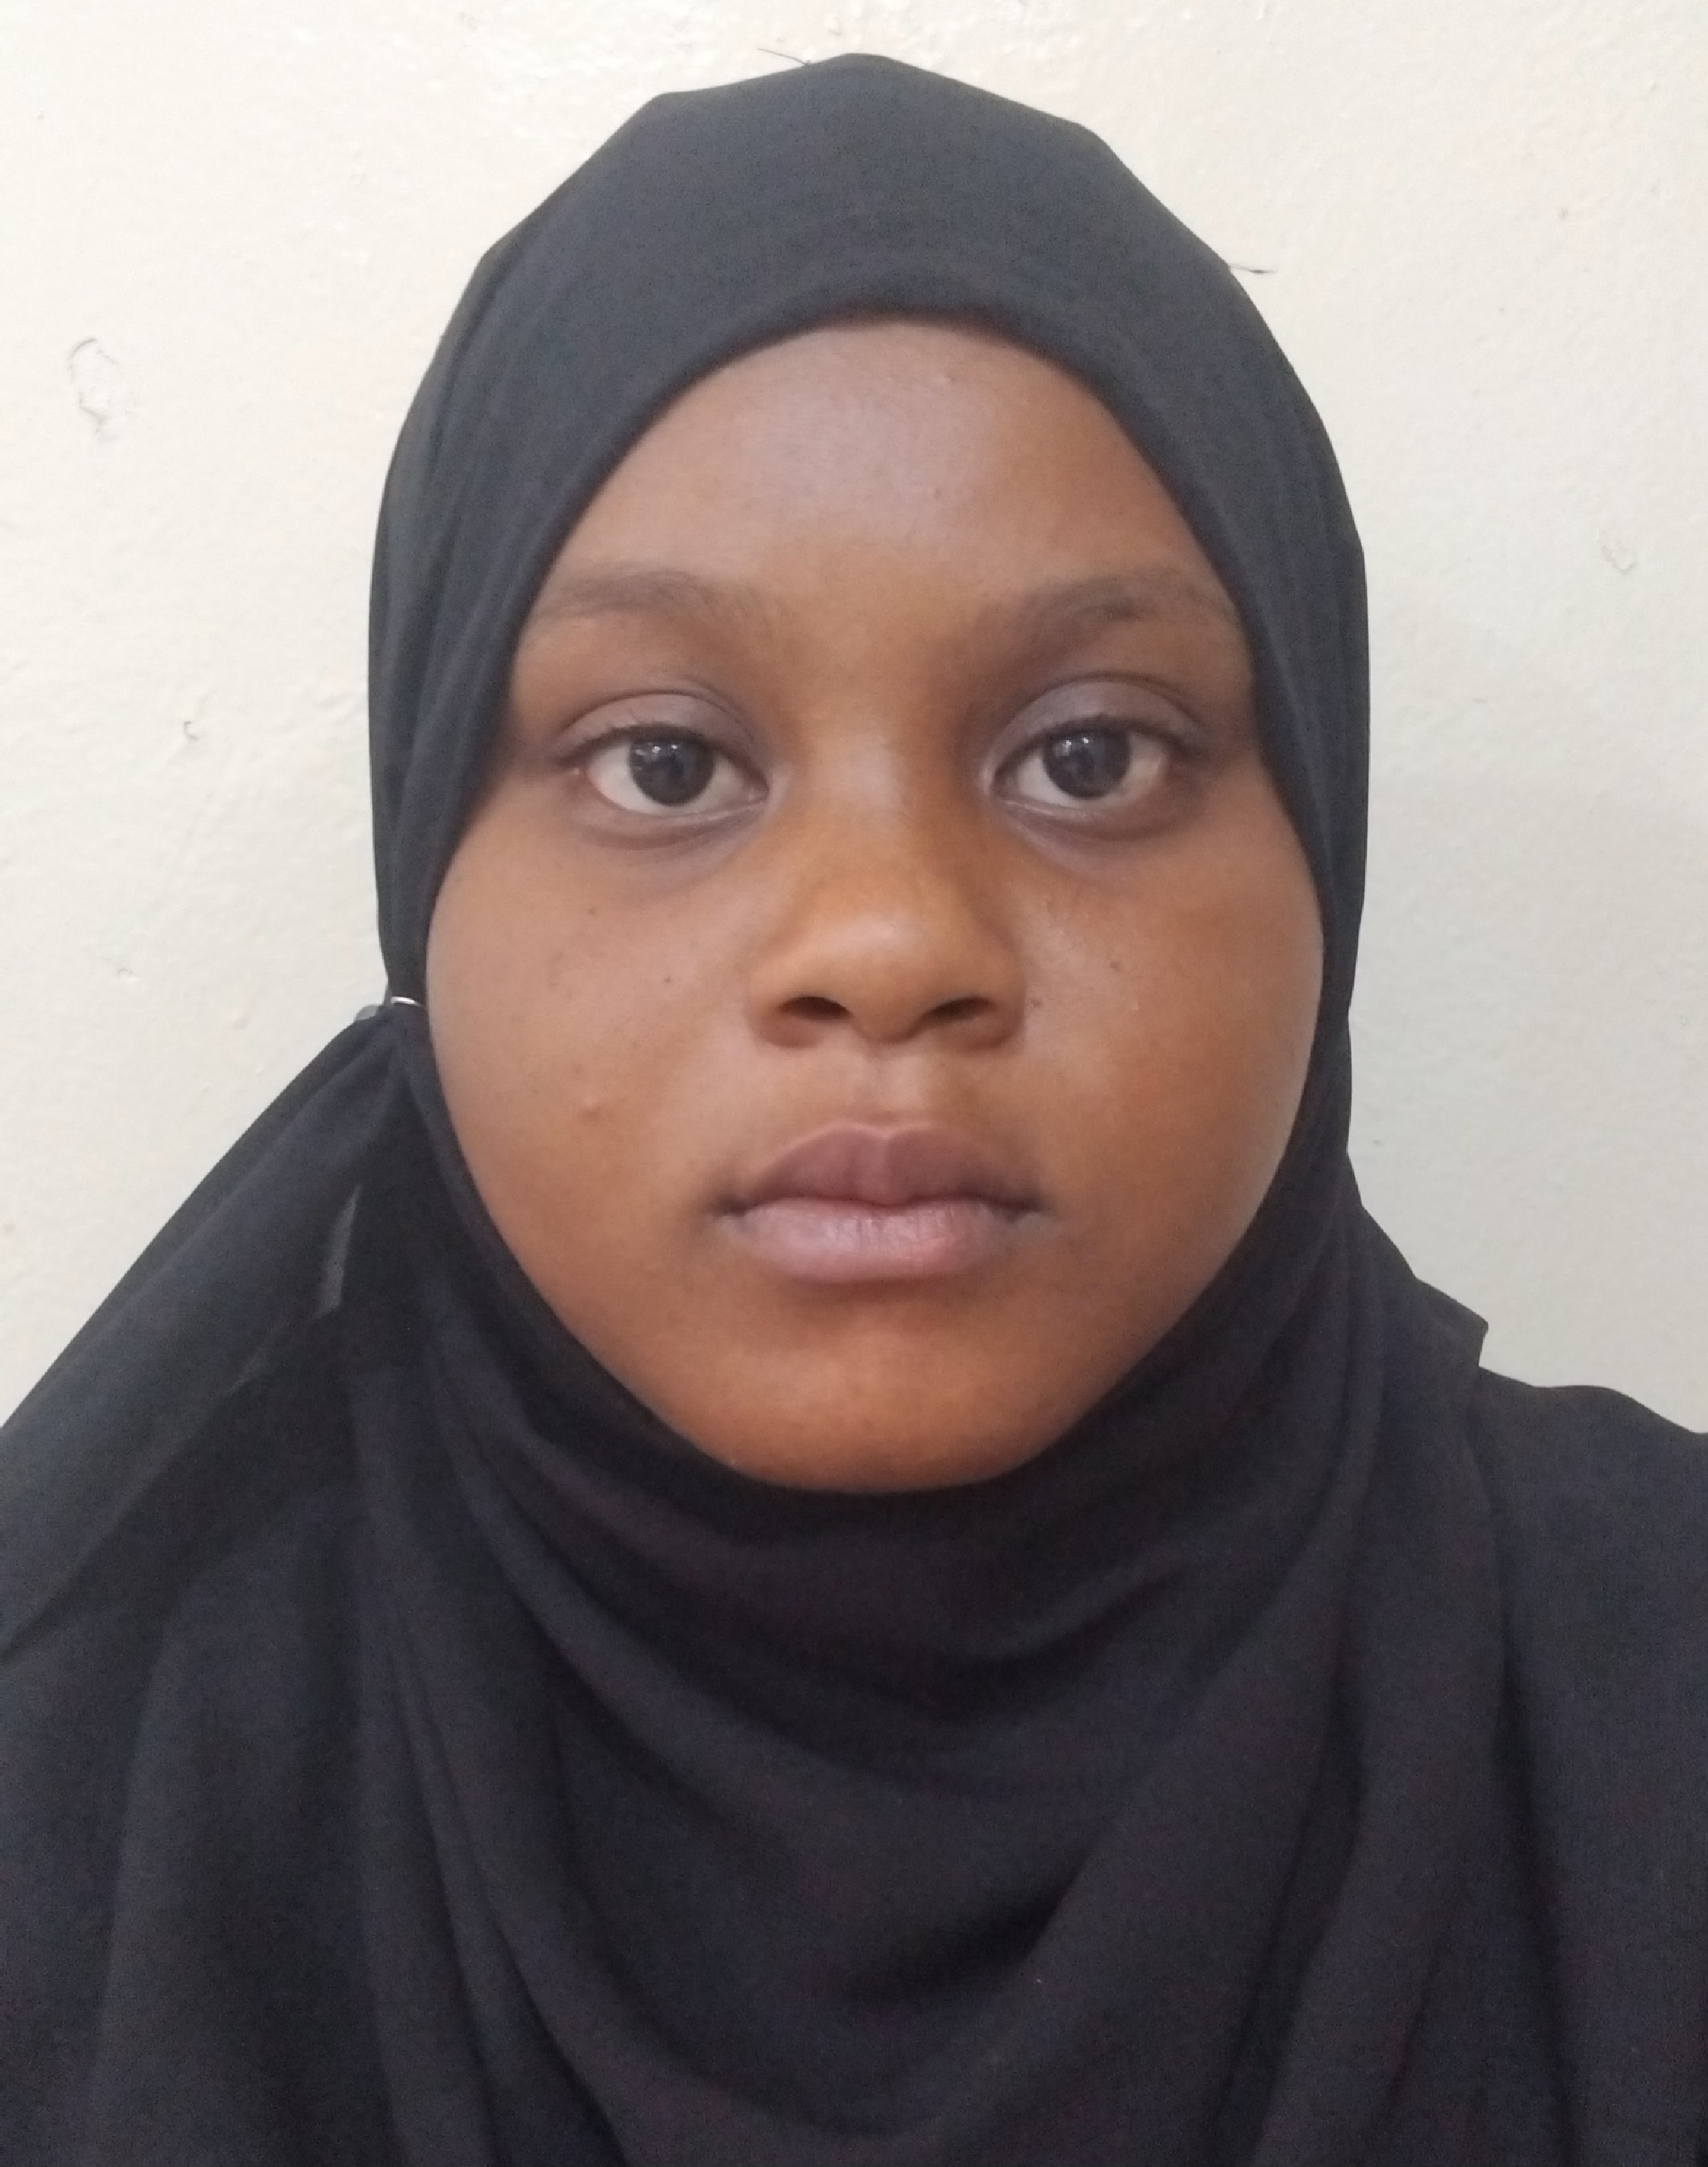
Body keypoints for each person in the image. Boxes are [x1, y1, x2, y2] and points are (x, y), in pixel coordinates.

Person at [1, 53, 1703, 2167]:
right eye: (665, 764)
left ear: (1321, 862)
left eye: (1090, 756)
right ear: (425, 857)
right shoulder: (88, 1779)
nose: (889, 943)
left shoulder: (1658, 1707)